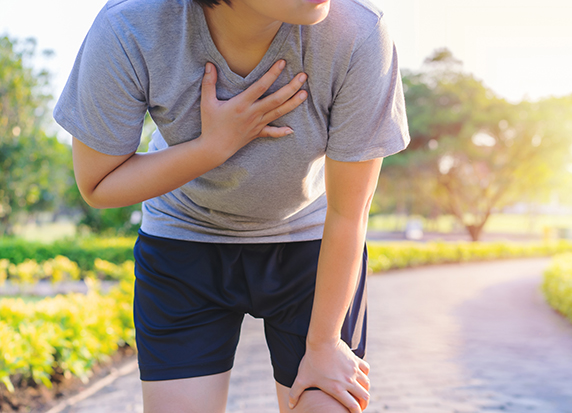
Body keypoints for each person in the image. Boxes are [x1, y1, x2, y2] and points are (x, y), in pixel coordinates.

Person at [53, 0, 410, 411]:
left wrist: (325, 342)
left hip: (313, 248)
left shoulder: (360, 33)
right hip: (185, 243)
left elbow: (350, 211)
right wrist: (213, 147)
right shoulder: (129, 27)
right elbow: (98, 184)